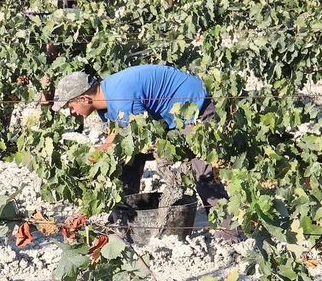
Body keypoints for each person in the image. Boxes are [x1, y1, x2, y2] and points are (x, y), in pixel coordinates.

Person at [54, 65, 228, 211]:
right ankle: (125, 217)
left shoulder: (120, 95)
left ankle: (228, 234)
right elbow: (116, 135)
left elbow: (136, 136)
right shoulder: (104, 103)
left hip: (197, 109)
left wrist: (94, 159)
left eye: (70, 106)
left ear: (84, 98)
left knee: (202, 171)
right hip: (170, 120)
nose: (72, 112)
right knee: (127, 161)